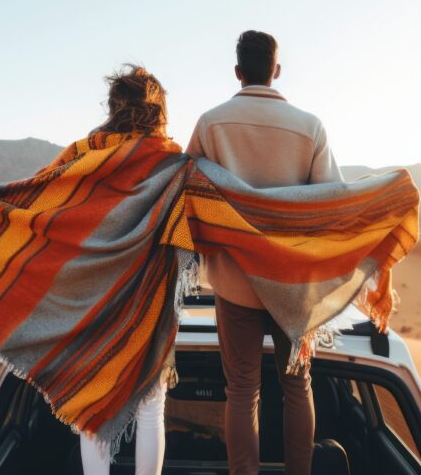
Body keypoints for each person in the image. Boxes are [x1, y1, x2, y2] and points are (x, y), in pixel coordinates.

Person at [186, 30, 343, 475]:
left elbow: (188, 193)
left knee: (242, 391)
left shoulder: (211, 123)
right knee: (297, 385)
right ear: (276, 70)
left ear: (238, 72)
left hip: (234, 282)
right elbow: (329, 203)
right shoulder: (309, 126)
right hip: (291, 285)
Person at [79, 65, 170, 475]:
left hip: (96, 295)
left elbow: (46, 204)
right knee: (151, 408)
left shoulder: (86, 152)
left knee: (92, 409)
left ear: (114, 105)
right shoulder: (171, 160)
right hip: (150, 297)